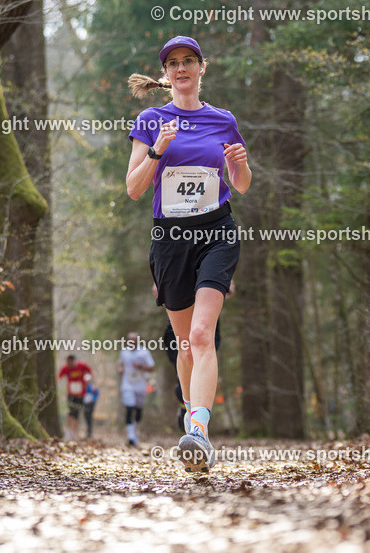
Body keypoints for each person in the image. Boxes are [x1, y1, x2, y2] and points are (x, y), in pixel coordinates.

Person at [126, 36, 251, 473]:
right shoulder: (150, 119)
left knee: (202, 335)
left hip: (217, 231)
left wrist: (240, 160)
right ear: (167, 74)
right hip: (170, 238)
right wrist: (159, 148)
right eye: (174, 63)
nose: (182, 68)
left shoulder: (223, 120)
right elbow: (134, 189)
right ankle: (189, 413)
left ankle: (199, 430)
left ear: (202, 68)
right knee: (184, 343)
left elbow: (241, 183)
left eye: (189, 61)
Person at [158, 281, 231, 433]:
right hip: (179, 322)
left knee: (200, 340)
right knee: (186, 358)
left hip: (206, 324)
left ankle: (199, 428)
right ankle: (187, 408)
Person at [117, 332, 155, 447]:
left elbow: (152, 367)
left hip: (140, 385)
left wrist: (139, 366)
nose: (132, 342)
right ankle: (131, 436)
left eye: (134, 340)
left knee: (138, 409)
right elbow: (120, 364)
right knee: (129, 408)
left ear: (138, 340)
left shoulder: (144, 352)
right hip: (127, 384)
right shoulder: (124, 352)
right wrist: (120, 369)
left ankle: (135, 429)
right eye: (130, 340)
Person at [57, 355, 93, 440]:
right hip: (71, 394)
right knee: (71, 412)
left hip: (81, 394)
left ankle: (74, 432)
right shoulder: (65, 368)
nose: (69, 364)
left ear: (74, 361)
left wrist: (90, 381)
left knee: (77, 413)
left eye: (71, 363)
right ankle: (68, 431)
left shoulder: (82, 366)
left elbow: (90, 374)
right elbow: (59, 377)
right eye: (68, 363)